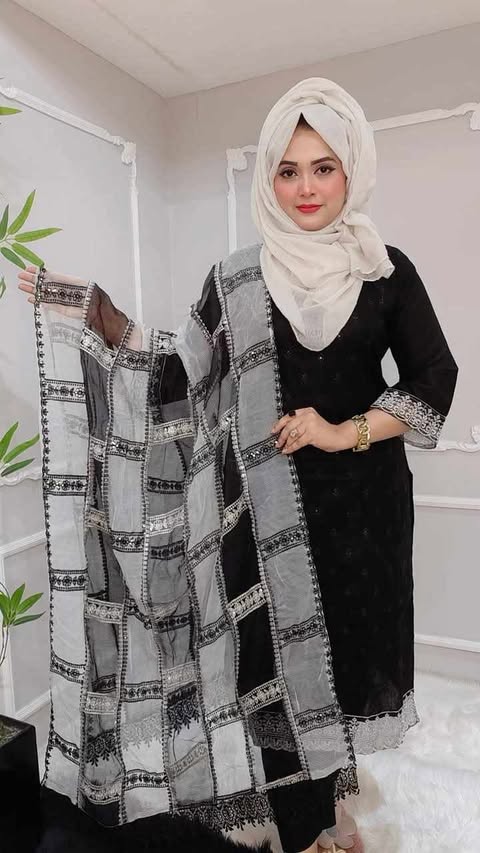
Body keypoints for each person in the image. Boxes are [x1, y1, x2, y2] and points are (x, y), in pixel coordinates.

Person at [18, 77, 457, 853]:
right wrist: (97, 315)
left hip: (364, 519)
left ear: (351, 170)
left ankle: (329, 812)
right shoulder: (236, 280)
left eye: (323, 167)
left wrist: (341, 430)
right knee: (274, 682)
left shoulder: (384, 270)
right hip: (262, 517)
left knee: (341, 674)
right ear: (268, 180)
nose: (306, 187)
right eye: (288, 170)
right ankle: (307, 834)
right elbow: (179, 377)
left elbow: (433, 379)